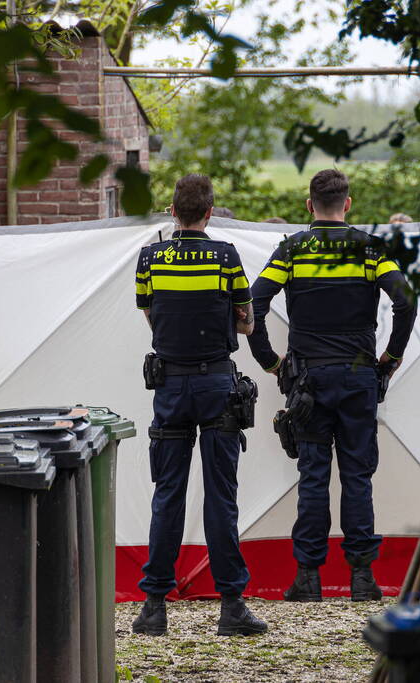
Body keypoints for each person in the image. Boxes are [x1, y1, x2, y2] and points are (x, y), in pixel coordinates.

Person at [248, 169, 417, 602]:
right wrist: (391, 359)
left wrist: (269, 360)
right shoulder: (370, 249)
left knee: (313, 476)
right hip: (360, 376)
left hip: (307, 381)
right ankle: (362, 579)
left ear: (309, 205)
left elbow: (254, 302)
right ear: (348, 203)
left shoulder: (292, 249)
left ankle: (308, 578)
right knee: (358, 476)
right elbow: (405, 299)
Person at [132, 174, 268, 636]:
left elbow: (151, 317)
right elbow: (247, 325)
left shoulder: (150, 257)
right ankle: (232, 606)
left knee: (167, 494)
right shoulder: (226, 256)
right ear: (209, 212)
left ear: (173, 211)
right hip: (216, 385)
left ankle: (153, 607)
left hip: (169, 385)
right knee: (221, 496)